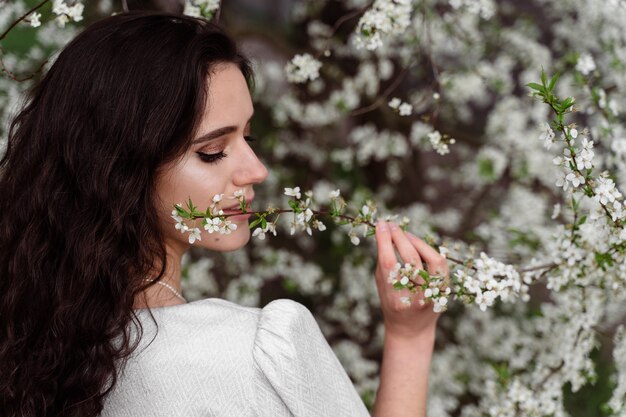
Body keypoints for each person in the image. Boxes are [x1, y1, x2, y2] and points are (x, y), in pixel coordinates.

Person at [0, 11, 446, 417]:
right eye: (213, 151)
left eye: (248, 137)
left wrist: (407, 335)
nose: (255, 170)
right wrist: (412, 339)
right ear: (120, 169)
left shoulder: (41, 346)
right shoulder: (251, 353)